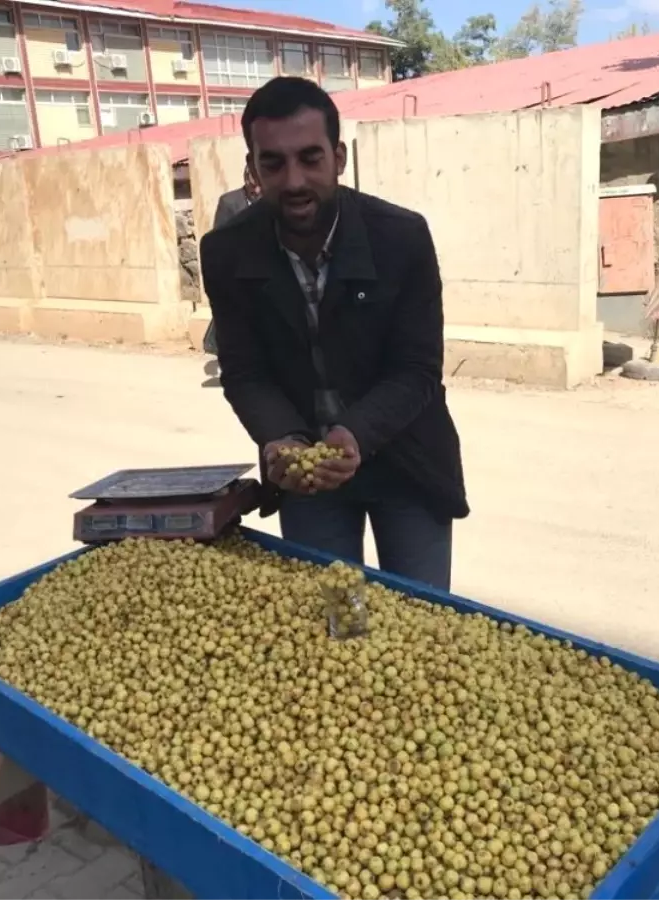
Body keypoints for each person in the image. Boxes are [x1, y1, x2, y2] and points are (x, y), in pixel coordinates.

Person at [199, 77, 467, 590]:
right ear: (252, 168)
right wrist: (282, 439)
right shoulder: (227, 251)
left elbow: (416, 369)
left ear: (338, 158)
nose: (294, 180)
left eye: (310, 157)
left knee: (421, 623)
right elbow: (245, 371)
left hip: (406, 460)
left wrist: (355, 434)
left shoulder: (401, 238)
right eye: (273, 163)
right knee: (333, 630)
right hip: (306, 475)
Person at [203, 168, 262, 355]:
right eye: (253, 180)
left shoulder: (272, 200)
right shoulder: (229, 202)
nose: (257, 188)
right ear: (246, 178)